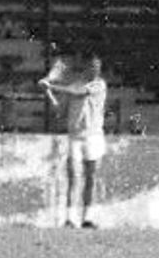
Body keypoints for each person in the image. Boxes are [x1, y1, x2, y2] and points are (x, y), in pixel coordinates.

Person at [40, 50, 110, 228]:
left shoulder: (99, 85)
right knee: (74, 176)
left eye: (98, 67)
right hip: (75, 137)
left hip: (93, 136)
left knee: (90, 177)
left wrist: (52, 86)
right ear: (86, 68)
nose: (96, 70)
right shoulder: (73, 85)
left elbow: (77, 92)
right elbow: (59, 111)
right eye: (93, 67)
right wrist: (48, 92)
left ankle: (87, 217)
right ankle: (70, 218)